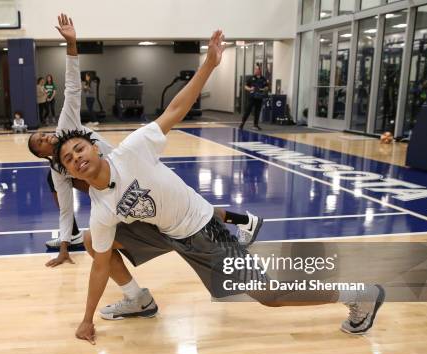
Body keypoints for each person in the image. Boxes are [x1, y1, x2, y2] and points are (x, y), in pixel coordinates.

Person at [50, 26, 385, 344]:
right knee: (96, 243)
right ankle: (138, 300)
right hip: (166, 231)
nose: (76, 157)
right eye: (68, 159)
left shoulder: (133, 150)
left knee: (269, 295)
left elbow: (176, 108)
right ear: (71, 174)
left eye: (79, 148)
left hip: (204, 230)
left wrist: (208, 64)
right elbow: (98, 267)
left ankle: (359, 294)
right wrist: (87, 319)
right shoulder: (101, 208)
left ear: (94, 146)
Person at [28, 15, 262, 269]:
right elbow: (65, 208)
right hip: (111, 195)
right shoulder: (59, 170)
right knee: (167, 219)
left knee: (185, 214)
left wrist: (72, 45)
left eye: (43, 133)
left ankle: (240, 230)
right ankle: (241, 225)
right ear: (43, 155)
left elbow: (72, 87)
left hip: (130, 172)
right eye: (40, 140)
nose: (46, 136)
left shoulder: (67, 125)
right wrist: (64, 248)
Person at [239, 64, 269, 131]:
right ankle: (242, 123)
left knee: (257, 111)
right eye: (255, 69)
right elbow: (245, 86)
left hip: (259, 97)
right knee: (248, 110)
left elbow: (267, 87)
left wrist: (264, 89)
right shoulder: (251, 78)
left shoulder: (263, 79)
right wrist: (250, 89)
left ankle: (255, 125)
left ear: (259, 70)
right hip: (252, 97)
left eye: (256, 69)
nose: (255, 70)